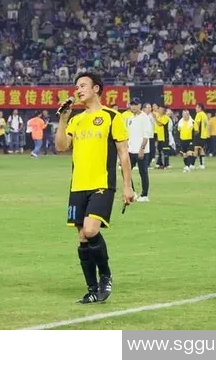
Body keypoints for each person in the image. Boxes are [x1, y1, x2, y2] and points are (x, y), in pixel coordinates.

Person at [55, 72, 135, 304]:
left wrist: (127, 187)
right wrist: (63, 119)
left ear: (96, 88)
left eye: (83, 86)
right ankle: (92, 289)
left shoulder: (111, 116)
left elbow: (123, 154)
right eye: (76, 87)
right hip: (78, 185)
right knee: (82, 237)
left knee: (90, 230)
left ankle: (106, 276)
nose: (78, 90)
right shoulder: (76, 120)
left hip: (102, 183)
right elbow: (61, 146)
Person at [124, 98, 152, 202]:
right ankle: (132, 192)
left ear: (140, 105)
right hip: (131, 150)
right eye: (132, 105)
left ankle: (144, 195)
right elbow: (128, 135)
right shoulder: (130, 118)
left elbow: (146, 135)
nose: (133, 107)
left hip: (141, 150)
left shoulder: (144, 118)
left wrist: (142, 149)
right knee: (125, 171)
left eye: (135, 105)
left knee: (143, 172)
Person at [193, 103, 210, 169]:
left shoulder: (199, 114)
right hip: (204, 135)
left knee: (196, 148)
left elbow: (197, 123)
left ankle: (192, 165)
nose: (195, 108)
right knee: (201, 149)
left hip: (199, 134)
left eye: (197, 107)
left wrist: (196, 131)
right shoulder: (204, 115)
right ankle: (202, 164)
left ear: (200, 108)